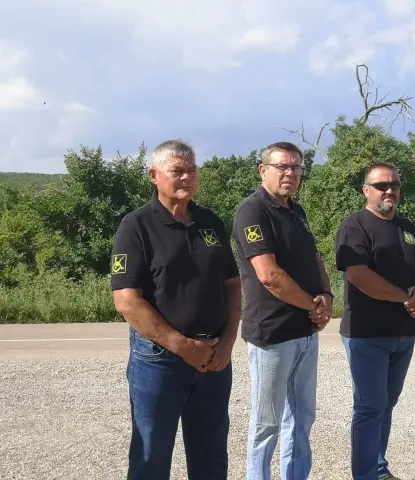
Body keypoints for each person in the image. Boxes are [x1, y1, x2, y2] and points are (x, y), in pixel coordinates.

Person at [111, 140, 242, 480]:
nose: (186, 177)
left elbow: (232, 283)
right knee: (151, 458)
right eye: (177, 171)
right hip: (160, 360)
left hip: (214, 357)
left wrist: (227, 342)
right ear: (154, 175)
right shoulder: (136, 225)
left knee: (211, 456)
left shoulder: (210, 221)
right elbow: (127, 301)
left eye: (192, 170)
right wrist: (184, 347)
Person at [233, 141, 332, 480]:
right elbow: (269, 275)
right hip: (273, 334)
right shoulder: (253, 211)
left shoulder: (296, 211)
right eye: (282, 167)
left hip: (305, 331)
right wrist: (313, 305)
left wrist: (326, 295)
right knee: (267, 424)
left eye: (296, 167)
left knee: (302, 419)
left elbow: (315, 258)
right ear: (263, 170)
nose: (290, 173)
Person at [335, 162, 415, 480]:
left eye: (394, 185)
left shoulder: (410, 229)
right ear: (366, 190)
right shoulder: (355, 227)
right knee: (370, 407)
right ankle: (366, 475)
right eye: (381, 185)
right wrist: (405, 298)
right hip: (367, 334)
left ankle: (378, 469)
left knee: (387, 404)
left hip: (404, 334)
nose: (389, 190)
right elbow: (359, 276)